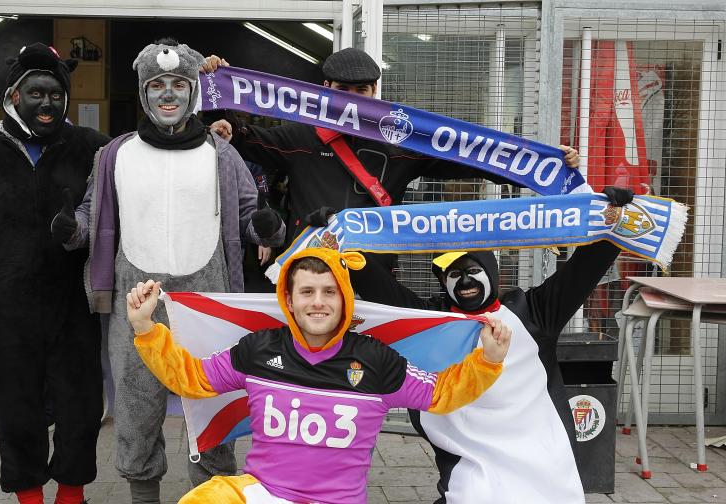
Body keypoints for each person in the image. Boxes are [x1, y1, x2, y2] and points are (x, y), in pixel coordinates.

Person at [52, 38, 285, 504]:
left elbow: (247, 214)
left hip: (208, 299)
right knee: (138, 402)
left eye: (179, 84)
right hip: (136, 300)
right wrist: (72, 229)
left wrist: (265, 227)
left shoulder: (220, 152)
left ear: (194, 91)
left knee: (212, 395)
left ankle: (213, 492)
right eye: (157, 84)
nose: (168, 94)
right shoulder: (115, 153)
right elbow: (90, 211)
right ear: (143, 92)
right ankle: (143, 495)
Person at [125, 247, 510, 503]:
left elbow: (441, 394)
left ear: (345, 299)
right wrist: (146, 328)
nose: (318, 302)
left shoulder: (374, 360)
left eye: (329, 291)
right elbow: (192, 378)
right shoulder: (259, 349)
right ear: (289, 301)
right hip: (266, 492)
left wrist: (487, 361)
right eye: (307, 291)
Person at [344, 187, 635, 503]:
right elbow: (373, 282)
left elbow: (583, 270)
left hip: (540, 465)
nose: (465, 282)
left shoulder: (534, 312)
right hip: (471, 469)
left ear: (491, 271)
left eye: (472, 271)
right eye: (453, 275)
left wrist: (612, 220)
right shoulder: (429, 319)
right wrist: (335, 236)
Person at [0, 43, 110, 504]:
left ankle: (71, 496)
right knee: (16, 414)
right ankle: (28, 497)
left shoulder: (92, 150)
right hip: (2, 312)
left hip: (74, 310)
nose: (46, 104)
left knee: (81, 410)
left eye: (55, 95)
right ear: (13, 96)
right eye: (35, 93)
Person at [206, 48, 580, 247]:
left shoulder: (401, 138)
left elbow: (468, 157)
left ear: (375, 93)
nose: (351, 100)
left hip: (375, 270)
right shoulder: (299, 136)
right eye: (342, 91)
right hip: (311, 269)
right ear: (324, 88)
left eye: (362, 92)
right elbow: (248, 139)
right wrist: (221, 104)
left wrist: (541, 162)